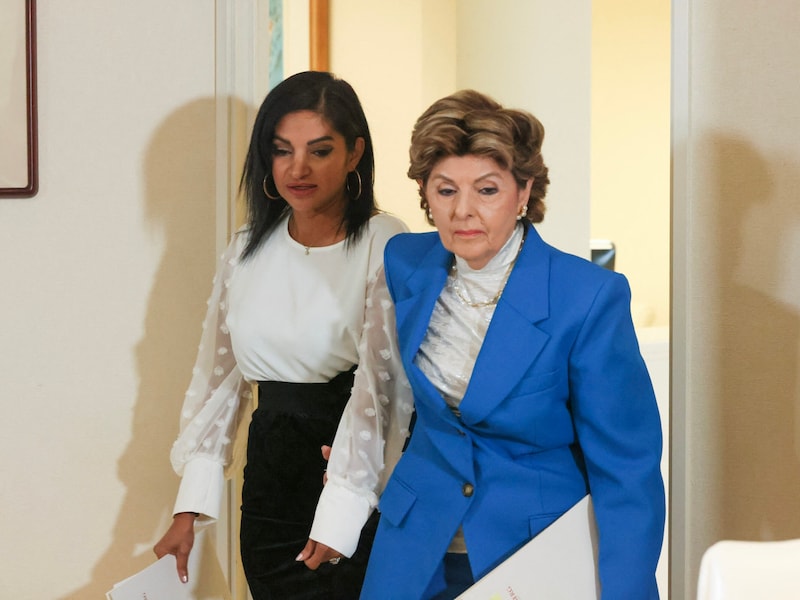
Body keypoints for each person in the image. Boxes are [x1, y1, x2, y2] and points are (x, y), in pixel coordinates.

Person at [299, 89, 666, 599]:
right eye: (445, 190)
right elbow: (377, 389)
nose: (463, 211)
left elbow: (626, 468)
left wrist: (627, 593)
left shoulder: (587, 296)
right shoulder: (405, 262)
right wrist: (341, 508)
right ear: (426, 193)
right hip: (413, 543)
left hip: (531, 549)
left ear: (524, 192)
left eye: (487, 190)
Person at [153, 70, 408, 599]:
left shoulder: (385, 241)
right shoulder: (247, 246)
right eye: (282, 149)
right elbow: (219, 381)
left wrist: (343, 509)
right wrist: (190, 506)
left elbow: (382, 389)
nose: (298, 168)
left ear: (355, 152)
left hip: (347, 474)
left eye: (319, 150)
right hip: (269, 479)